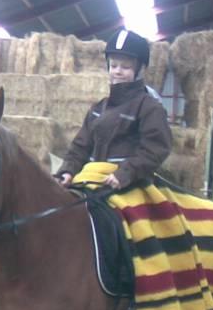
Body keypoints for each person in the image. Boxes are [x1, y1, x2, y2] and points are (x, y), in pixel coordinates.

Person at [56, 29, 172, 190]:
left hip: (129, 182)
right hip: (93, 179)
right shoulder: (98, 108)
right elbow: (80, 146)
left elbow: (155, 148)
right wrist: (68, 170)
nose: (118, 71)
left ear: (139, 70)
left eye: (125, 67)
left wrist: (125, 174)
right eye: (114, 65)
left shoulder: (149, 108)